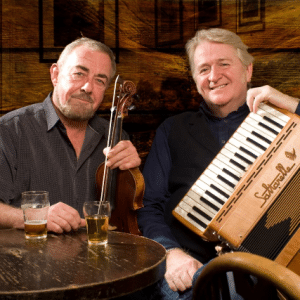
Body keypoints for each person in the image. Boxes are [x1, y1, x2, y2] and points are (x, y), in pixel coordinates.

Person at [137, 28, 300, 299]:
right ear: (194, 79)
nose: (213, 77)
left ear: (248, 71)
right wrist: (171, 253)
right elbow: (148, 206)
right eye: (203, 69)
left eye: (224, 64)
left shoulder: (286, 120)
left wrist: (294, 106)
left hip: (280, 267)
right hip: (194, 268)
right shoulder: (172, 129)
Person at [0, 37, 141, 234]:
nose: (87, 88)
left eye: (99, 80)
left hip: (99, 260)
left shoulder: (116, 137)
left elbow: (130, 212)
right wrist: (35, 216)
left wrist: (133, 173)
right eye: (78, 74)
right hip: (30, 260)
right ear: (55, 74)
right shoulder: (10, 130)